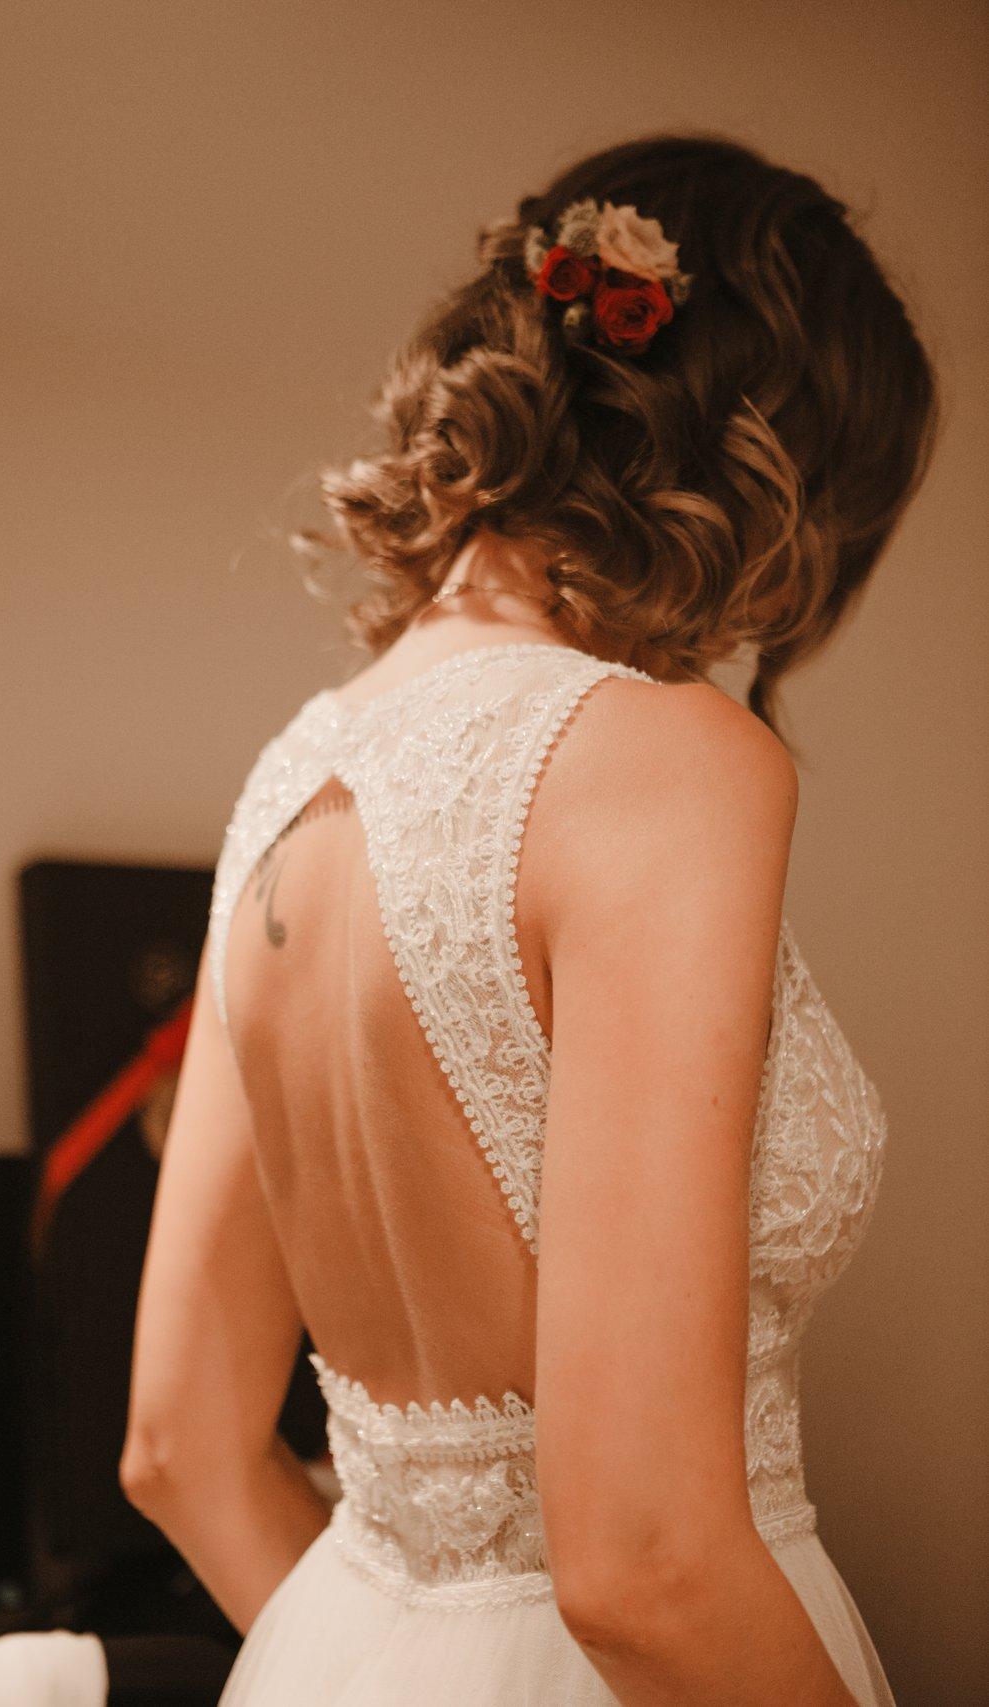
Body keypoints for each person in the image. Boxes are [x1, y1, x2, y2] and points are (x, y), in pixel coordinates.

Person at [119, 133, 936, 1705]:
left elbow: (178, 1448)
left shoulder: (289, 787)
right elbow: (642, 1571)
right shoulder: (674, 763)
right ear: (784, 473)